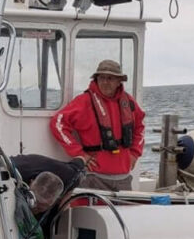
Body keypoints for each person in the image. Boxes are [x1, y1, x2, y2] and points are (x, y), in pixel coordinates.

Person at [49, 59, 145, 191]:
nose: (105, 82)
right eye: (102, 78)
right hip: (93, 178)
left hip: (123, 179)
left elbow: (140, 127)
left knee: (122, 212)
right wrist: (80, 154)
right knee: (91, 212)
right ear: (96, 79)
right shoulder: (83, 101)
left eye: (110, 78)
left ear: (119, 81)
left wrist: (135, 153)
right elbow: (57, 123)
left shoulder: (129, 102)